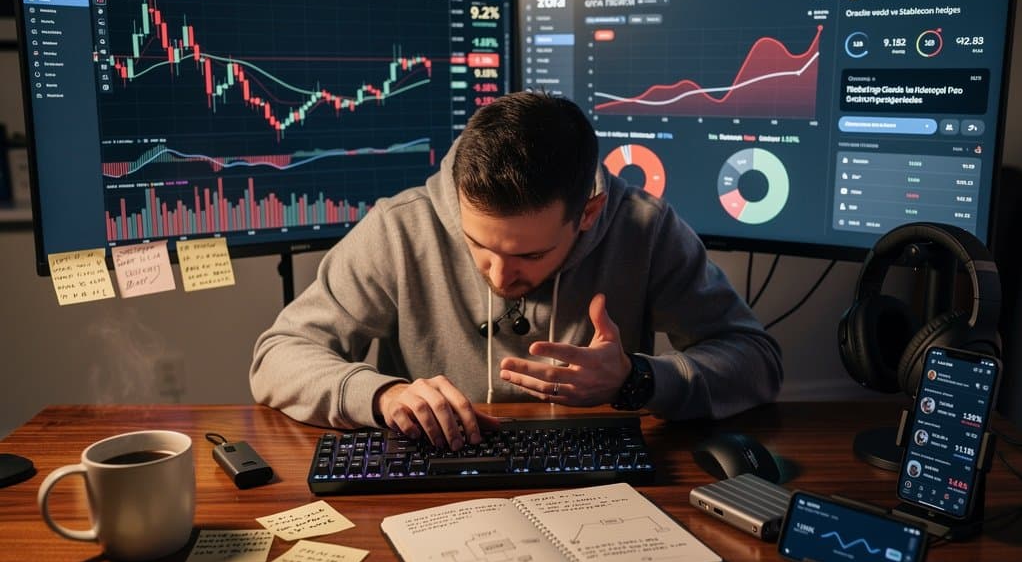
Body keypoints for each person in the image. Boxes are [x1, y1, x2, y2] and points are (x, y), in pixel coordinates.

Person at [250, 91, 783, 449]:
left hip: (598, 485)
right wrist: (382, 394)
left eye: (530, 255)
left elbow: (756, 359)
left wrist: (637, 378)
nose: (500, 277)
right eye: (478, 244)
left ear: (588, 214)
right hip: (436, 478)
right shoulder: (400, 227)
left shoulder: (645, 227)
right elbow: (277, 356)